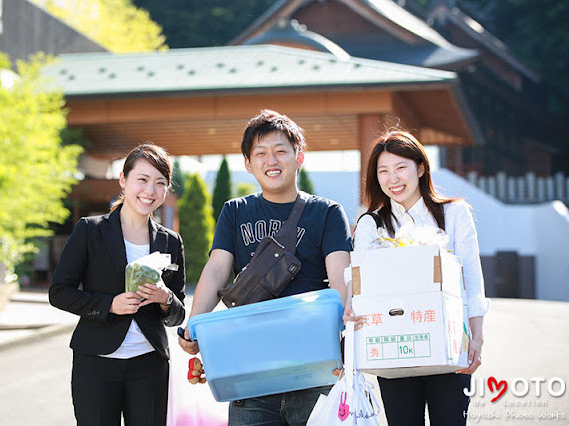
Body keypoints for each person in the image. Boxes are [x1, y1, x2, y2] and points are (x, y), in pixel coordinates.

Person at [178, 109, 353, 425]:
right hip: (249, 373)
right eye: (260, 153)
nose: (271, 161)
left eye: (280, 151)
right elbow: (217, 268)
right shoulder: (235, 211)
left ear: (298, 158)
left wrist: (345, 339)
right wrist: (193, 324)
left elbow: (342, 279)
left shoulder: (327, 213)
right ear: (248, 164)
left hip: (313, 371)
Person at [344, 130, 488, 426]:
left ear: (421, 168)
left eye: (401, 168)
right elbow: (360, 282)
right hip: (393, 351)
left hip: (449, 349)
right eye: (383, 171)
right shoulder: (371, 224)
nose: (392, 179)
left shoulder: (454, 213)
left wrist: (477, 335)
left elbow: (471, 276)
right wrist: (350, 303)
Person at [49, 143, 186, 426]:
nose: (150, 190)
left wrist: (164, 298)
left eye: (160, 183)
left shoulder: (171, 241)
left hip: (150, 364)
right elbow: (59, 292)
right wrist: (109, 304)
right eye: (143, 180)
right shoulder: (91, 230)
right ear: (123, 180)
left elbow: (178, 311)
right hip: (96, 363)